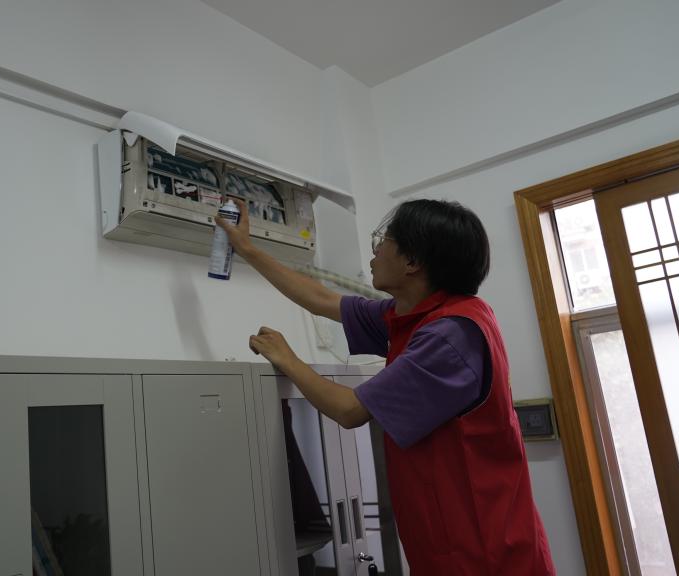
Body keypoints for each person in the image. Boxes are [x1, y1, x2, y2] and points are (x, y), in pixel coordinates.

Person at [216, 199, 555, 575]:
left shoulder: (450, 336)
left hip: (485, 553)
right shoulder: (422, 316)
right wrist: (246, 248)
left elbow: (350, 410)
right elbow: (322, 299)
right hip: (454, 543)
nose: (375, 250)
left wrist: (288, 359)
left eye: (384, 240)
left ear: (412, 262)